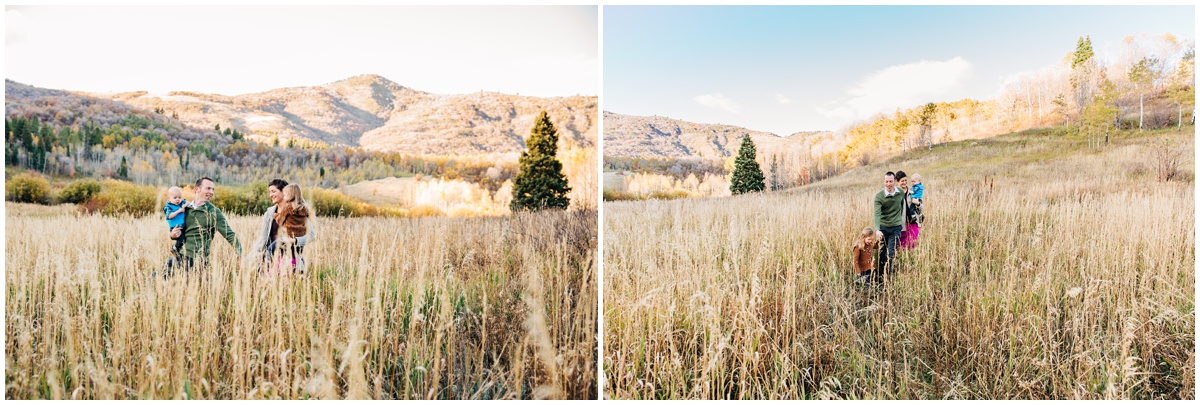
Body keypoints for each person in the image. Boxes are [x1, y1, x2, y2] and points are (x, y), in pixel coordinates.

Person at [166, 177, 243, 275]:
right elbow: (176, 228)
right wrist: (172, 235)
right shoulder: (186, 208)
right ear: (197, 189)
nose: (211, 192)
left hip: (197, 261)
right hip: (179, 256)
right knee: (154, 279)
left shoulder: (213, 212)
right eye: (208, 188)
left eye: (213, 189)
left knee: (189, 288)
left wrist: (241, 255)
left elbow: (230, 235)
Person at [248, 179, 316, 274]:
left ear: (284, 191)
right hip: (272, 258)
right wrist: (250, 258)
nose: (270, 195)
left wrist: (295, 240)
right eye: (269, 192)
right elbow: (262, 239)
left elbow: (312, 235)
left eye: (273, 191)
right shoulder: (269, 213)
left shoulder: (297, 211)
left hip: (291, 258)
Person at [873, 171, 905, 280]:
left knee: (890, 253)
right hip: (883, 228)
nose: (889, 184)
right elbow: (877, 214)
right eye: (886, 182)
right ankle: (881, 275)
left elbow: (901, 206)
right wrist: (877, 229)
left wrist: (898, 220)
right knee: (882, 253)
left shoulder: (900, 192)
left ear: (895, 181)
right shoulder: (879, 196)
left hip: (896, 227)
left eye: (891, 181)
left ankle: (888, 276)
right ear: (884, 182)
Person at [271, 184, 310, 274]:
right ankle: (296, 269)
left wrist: (276, 215)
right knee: (295, 255)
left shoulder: (287, 208)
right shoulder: (305, 209)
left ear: (291, 195)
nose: (284, 197)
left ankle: (267, 266)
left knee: (271, 249)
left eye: (285, 195)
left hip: (287, 237)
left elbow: (280, 220)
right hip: (300, 238)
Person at [896, 171, 921, 250]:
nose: (904, 182)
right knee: (902, 242)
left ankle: (910, 256)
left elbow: (921, 205)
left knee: (913, 240)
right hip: (901, 221)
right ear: (897, 181)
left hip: (913, 219)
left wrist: (918, 204)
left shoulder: (913, 190)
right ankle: (902, 258)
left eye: (906, 180)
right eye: (902, 181)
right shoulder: (895, 193)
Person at [164, 186, 187, 253]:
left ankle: (178, 250)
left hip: (182, 226)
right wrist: (178, 211)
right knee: (182, 239)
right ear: (169, 198)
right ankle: (175, 248)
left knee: (185, 237)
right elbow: (169, 216)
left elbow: (188, 203)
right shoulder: (168, 207)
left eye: (179, 197)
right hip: (175, 227)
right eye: (175, 198)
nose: (178, 199)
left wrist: (185, 205)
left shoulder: (181, 203)